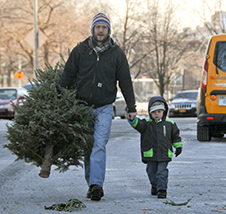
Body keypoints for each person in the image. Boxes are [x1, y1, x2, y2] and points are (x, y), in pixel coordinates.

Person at [59, 12, 137, 201]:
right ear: (93, 29)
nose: (100, 31)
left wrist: (131, 106)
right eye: (98, 27)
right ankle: (92, 184)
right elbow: (67, 76)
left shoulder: (116, 54)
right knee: (88, 148)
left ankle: (97, 185)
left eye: (104, 27)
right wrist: (59, 100)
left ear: (108, 30)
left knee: (99, 145)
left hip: (104, 107)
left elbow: (125, 81)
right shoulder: (80, 50)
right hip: (82, 107)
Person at [127, 96, 182, 199]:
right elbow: (137, 124)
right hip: (150, 153)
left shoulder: (170, 124)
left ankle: (162, 190)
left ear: (164, 112)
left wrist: (178, 147)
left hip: (164, 153)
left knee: (161, 172)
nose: (157, 114)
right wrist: (132, 119)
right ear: (150, 112)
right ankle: (155, 185)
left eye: (159, 111)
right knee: (151, 172)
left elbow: (175, 137)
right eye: (154, 112)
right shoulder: (146, 124)